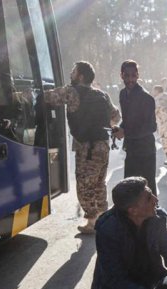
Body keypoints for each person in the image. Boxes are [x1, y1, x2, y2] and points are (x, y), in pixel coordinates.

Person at [45, 61, 120, 234]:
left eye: (73, 71)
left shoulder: (72, 92)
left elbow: (48, 97)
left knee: (85, 185)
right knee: (99, 183)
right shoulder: (102, 95)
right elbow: (116, 117)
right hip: (103, 146)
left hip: (87, 148)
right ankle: (103, 218)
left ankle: (92, 223)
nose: (71, 73)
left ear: (80, 76)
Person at [114, 60, 159, 196]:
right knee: (130, 188)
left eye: (133, 75)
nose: (130, 79)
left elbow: (151, 126)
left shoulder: (146, 98)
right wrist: (119, 128)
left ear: (138, 75)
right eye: (126, 75)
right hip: (131, 149)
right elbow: (127, 119)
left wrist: (125, 132)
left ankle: (153, 216)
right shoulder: (123, 94)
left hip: (145, 151)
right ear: (121, 75)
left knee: (147, 188)